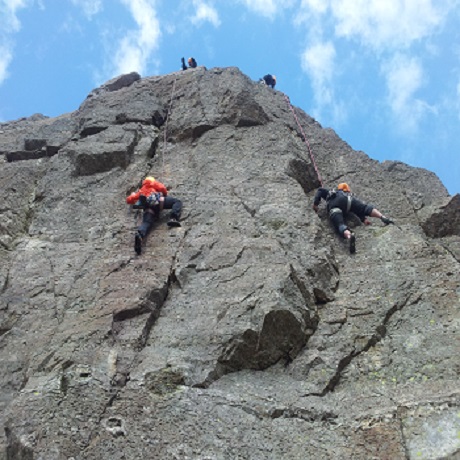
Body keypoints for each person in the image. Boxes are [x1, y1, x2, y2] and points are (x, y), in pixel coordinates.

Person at [312, 183, 394, 254]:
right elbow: (358, 211)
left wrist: (316, 204)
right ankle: (382, 217)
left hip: (335, 204)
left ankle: (349, 236)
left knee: (339, 224)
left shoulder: (332, 193)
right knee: (365, 208)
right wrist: (364, 219)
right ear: (347, 190)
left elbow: (320, 190)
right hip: (349, 201)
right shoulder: (348, 195)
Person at [126, 176, 182, 255]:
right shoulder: (153, 183)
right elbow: (162, 189)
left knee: (146, 223)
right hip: (158, 202)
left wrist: (133, 194)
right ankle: (173, 218)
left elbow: (129, 200)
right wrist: (164, 194)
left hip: (148, 208)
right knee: (177, 202)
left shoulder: (141, 190)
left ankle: (140, 234)